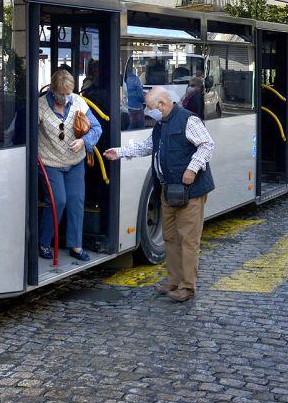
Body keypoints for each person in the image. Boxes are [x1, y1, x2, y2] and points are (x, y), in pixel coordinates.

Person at [104, 87, 215, 302]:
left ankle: (187, 287)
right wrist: (119, 152)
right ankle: (174, 281)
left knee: (188, 240)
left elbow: (207, 145)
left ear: (162, 105)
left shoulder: (188, 120)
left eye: (150, 107)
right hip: (168, 191)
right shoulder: (161, 123)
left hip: (189, 192)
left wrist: (193, 168)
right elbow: (148, 147)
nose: (147, 111)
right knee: (170, 238)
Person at [37, 69, 102, 262]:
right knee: (58, 201)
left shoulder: (79, 102)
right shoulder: (40, 106)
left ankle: (75, 245)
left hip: (75, 162)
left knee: (76, 202)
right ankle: (44, 242)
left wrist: (84, 142)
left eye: (68, 94)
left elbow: (97, 128)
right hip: (49, 162)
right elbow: (28, 133)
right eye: (61, 94)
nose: (65, 98)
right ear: (52, 90)